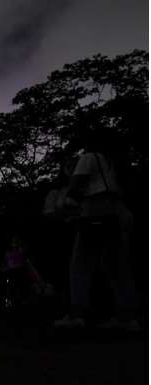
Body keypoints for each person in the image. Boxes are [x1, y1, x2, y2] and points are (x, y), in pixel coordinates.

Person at [54, 130, 138, 330]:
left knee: (80, 265)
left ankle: (77, 315)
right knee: (117, 266)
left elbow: (77, 186)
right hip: (115, 209)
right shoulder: (110, 160)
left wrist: (67, 202)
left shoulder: (88, 157)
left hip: (96, 209)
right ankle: (127, 318)